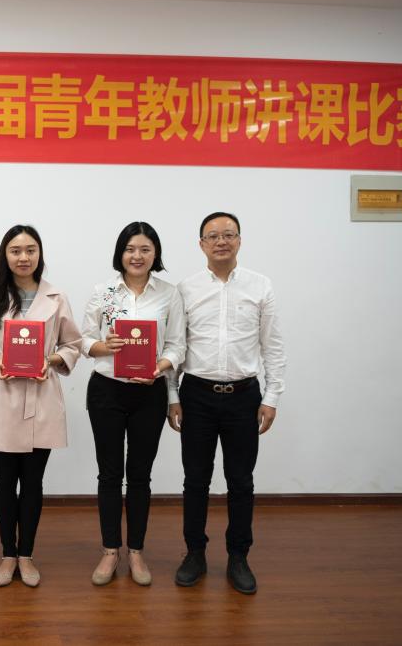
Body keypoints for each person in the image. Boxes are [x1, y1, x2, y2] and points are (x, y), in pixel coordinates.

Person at [169, 211, 286, 595]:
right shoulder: (185, 289)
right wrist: (172, 395)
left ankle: (238, 556)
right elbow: (175, 346)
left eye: (229, 234)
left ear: (239, 240)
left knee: (241, 481)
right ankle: (195, 553)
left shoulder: (260, 285)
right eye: (213, 236)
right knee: (195, 480)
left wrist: (271, 396)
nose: (221, 241)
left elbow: (273, 346)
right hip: (196, 396)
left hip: (244, 397)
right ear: (201, 244)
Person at [0, 224, 82, 588]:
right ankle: (7, 554)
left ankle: (26, 555)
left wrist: (52, 360)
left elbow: (72, 344)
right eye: (15, 251)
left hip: (41, 397)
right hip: (2, 398)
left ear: (39, 254)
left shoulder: (56, 297)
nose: (24, 257)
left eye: (30, 250)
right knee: (4, 482)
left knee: (32, 482)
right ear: (5, 255)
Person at [81, 221, 185, 587]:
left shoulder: (170, 294)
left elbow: (177, 345)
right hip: (106, 391)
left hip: (149, 393)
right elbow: (83, 340)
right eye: (130, 249)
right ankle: (110, 550)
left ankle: (136, 551)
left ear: (155, 254)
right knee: (109, 475)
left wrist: (161, 368)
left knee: (140, 475)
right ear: (120, 253)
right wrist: (102, 346)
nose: (136, 256)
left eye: (144, 249)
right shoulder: (104, 292)